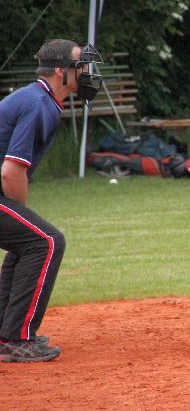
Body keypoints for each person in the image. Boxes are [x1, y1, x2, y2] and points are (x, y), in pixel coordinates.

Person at [0, 39, 103, 362]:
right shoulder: (37, 103)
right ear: (61, 71)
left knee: (30, 242)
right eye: (80, 66)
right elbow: (11, 170)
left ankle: (5, 333)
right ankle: (18, 338)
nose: (86, 72)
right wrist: (21, 210)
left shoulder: (38, 99)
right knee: (46, 241)